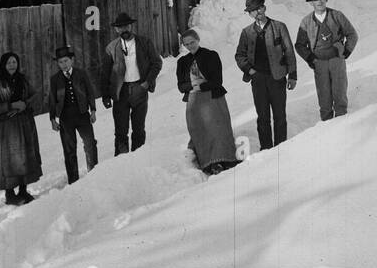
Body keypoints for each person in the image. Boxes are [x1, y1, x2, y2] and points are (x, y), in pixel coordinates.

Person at [235, 0, 297, 150]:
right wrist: (250, 70)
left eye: (259, 8)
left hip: (277, 78)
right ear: (249, 14)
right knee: (262, 117)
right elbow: (239, 55)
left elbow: (289, 51)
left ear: (264, 8)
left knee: (279, 116)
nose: (257, 12)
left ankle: (281, 147)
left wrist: (293, 75)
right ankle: (266, 149)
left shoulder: (279, 27)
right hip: (258, 80)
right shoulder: (247, 32)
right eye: (252, 11)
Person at [176, 27, 239, 174]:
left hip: (212, 97)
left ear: (198, 40)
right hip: (194, 100)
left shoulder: (210, 55)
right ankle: (209, 163)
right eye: (186, 44)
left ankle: (225, 159)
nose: (190, 46)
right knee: (200, 130)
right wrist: (193, 85)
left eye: (192, 42)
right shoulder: (182, 62)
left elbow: (217, 80)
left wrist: (201, 85)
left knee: (218, 129)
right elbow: (181, 86)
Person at [99, 12, 163, 156]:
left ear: (131, 26)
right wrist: (105, 96)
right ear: (116, 30)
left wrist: (147, 83)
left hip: (139, 89)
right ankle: (121, 162)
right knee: (121, 131)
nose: (123, 30)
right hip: (120, 92)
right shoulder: (111, 48)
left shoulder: (144, 42)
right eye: (120, 28)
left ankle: (138, 159)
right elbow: (105, 73)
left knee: (139, 128)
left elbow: (157, 63)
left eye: (126, 26)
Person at [295, 0, 358, 121]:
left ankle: (342, 122)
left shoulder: (337, 16)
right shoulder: (306, 22)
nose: (320, 2)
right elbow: (299, 45)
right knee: (324, 96)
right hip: (319, 62)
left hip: (337, 60)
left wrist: (346, 52)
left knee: (339, 93)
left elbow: (352, 34)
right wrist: (311, 59)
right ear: (311, 2)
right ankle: (326, 126)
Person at [0, 51, 42, 206]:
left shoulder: (23, 80)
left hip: (25, 124)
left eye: (14, 62)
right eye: (9, 63)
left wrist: (25, 104)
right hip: (7, 129)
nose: (12, 65)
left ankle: (23, 190)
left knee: (25, 156)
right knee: (10, 160)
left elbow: (34, 95)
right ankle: (10, 194)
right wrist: (11, 105)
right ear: (3, 65)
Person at [48, 46, 98, 184]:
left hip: (82, 115)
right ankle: (73, 181)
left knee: (90, 144)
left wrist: (93, 110)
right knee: (69, 149)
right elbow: (52, 99)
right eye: (60, 62)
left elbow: (90, 92)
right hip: (65, 118)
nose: (63, 65)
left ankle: (94, 174)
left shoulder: (81, 74)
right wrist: (52, 119)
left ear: (72, 60)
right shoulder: (55, 79)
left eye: (66, 61)